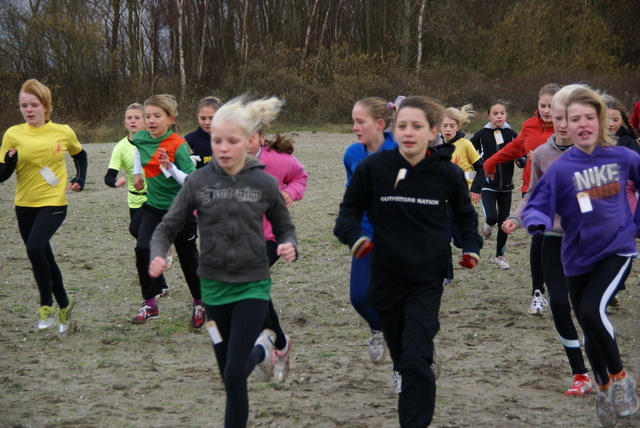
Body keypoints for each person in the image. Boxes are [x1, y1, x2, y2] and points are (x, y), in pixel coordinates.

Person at [148, 95, 297, 428]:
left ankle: (264, 346)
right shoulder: (199, 182)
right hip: (213, 291)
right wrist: (158, 252)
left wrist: (288, 244)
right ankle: (266, 347)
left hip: (252, 288)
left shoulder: (263, 182)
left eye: (232, 141)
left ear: (249, 141)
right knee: (231, 381)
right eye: (217, 140)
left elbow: (285, 227)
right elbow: (168, 225)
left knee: (234, 370)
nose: (224, 148)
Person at [334, 96, 482, 427]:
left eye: (417, 126)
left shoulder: (447, 174)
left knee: (416, 361)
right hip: (385, 278)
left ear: (433, 132)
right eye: (403, 126)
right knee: (404, 359)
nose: (408, 132)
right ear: (393, 130)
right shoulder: (373, 168)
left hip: (426, 279)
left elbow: (464, 216)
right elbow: (347, 214)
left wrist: (471, 245)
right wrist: (355, 238)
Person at [522, 87, 640, 427]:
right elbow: (537, 204)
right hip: (575, 256)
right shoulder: (561, 168)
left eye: (590, 117)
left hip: (616, 248)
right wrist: (534, 222)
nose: (583, 124)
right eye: (575, 119)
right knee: (587, 322)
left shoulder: (624, 157)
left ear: (602, 121)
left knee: (591, 309)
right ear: (566, 126)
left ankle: (621, 379)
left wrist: (636, 224)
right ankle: (602, 386)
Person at [502, 84, 593, 396]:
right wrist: (516, 217)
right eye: (557, 117)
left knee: (587, 311)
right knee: (557, 304)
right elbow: (534, 196)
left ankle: (605, 365)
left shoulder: (593, 152)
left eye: (569, 117)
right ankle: (580, 374)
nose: (563, 124)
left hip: (587, 242)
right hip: (554, 241)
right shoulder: (541, 155)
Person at [0, 79, 87, 334]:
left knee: (35, 247)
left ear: (45, 106)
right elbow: (2, 175)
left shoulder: (63, 131)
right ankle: (65, 302)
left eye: (34, 105)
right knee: (42, 254)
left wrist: (79, 178)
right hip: (23, 204)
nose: (28, 110)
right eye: (23, 105)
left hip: (54, 203)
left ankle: (46, 304)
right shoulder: (12, 134)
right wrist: (8, 162)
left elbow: (80, 155)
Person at [483, 83, 559, 315]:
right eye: (542, 105)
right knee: (538, 240)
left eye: (552, 106)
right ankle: (538, 293)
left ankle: (567, 290)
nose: (546, 111)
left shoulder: (569, 126)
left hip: (564, 194)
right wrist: (491, 162)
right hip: (533, 190)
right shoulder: (529, 125)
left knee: (559, 243)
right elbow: (516, 147)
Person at [130, 94, 203, 328]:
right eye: (147, 116)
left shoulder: (178, 145)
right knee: (142, 249)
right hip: (153, 207)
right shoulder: (141, 136)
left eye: (156, 116)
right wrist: (137, 173)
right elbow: (138, 149)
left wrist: (170, 167)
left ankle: (200, 302)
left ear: (169, 119)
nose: (150, 120)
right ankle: (150, 303)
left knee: (188, 260)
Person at [247, 130, 308, 382]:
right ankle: (280, 344)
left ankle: (266, 344)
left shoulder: (278, 160)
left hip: (270, 237)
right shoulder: (226, 160)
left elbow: (300, 177)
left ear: (261, 137)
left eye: (248, 136)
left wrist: (289, 192)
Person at [343, 97, 397, 372]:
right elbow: (353, 197)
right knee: (359, 297)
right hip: (365, 235)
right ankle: (378, 328)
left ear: (379, 124)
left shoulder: (401, 149)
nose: (354, 127)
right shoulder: (352, 154)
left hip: (399, 238)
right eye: (353, 121)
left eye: (359, 121)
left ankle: (411, 357)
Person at [470, 100, 518, 269]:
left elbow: (521, 153)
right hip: (488, 184)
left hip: (507, 186)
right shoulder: (481, 134)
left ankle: (500, 256)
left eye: (502, 113)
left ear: (506, 115)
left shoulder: (512, 134)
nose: (499, 116)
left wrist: (523, 161)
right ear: (488, 115)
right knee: (492, 217)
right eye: (495, 113)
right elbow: (470, 151)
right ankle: (487, 224)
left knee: (504, 223)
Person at [440, 104, 484, 281]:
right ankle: (446, 276)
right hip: (441, 202)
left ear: (458, 126)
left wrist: (475, 189)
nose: (448, 129)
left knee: (459, 241)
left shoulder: (465, 145)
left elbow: (481, 170)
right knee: (442, 240)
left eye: (452, 125)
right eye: (444, 125)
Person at [185, 96, 223, 169]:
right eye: (203, 118)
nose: (207, 122)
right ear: (197, 116)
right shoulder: (189, 140)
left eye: (212, 118)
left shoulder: (227, 138)